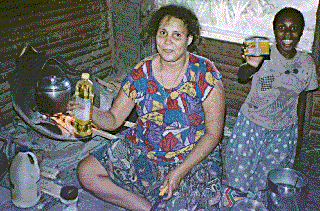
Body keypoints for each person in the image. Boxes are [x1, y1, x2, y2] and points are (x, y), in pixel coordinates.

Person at [77, 4, 225, 211]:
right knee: (86, 172)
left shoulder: (205, 74)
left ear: (189, 39)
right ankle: (146, 207)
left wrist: (179, 172)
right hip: (145, 150)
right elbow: (113, 120)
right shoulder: (141, 72)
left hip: (191, 158)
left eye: (177, 35)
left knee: (205, 202)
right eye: (163, 33)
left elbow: (213, 135)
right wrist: (85, 110)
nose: (167, 42)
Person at [222, 7, 318, 208]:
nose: (288, 34)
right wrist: (252, 65)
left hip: (283, 131)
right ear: (274, 30)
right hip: (251, 125)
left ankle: (255, 205)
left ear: (301, 32)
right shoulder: (263, 51)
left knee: (267, 178)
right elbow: (241, 76)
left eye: (294, 29)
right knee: (239, 172)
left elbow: (301, 101)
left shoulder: (306, 62)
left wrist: (298, 136)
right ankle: (233, 203)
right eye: (282, 28)